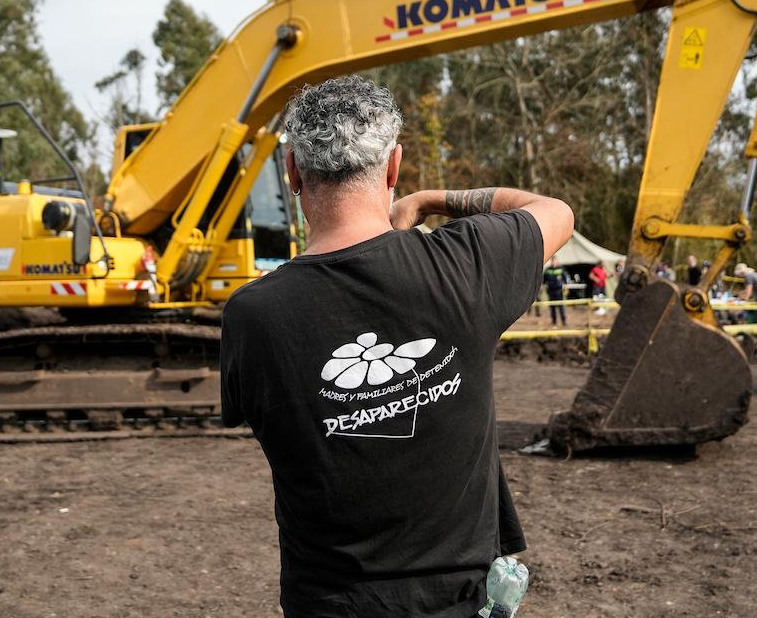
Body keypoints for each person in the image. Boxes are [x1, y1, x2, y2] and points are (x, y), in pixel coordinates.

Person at [219, 75, 573, 617]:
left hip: (329, 602)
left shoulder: (251, 317)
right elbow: (555, 211)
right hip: (461, 599)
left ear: (292, 170)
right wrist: (431, 200)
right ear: (392, 165)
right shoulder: (464, 264)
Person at [544, 256, 568, 326]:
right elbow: (544, 281)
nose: (553, 262)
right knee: (552, 308)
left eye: (555, 261)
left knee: (561, 307)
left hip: (559, 291)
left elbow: (565, 280)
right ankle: (554, 322)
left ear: (557, 261)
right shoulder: (548, 270)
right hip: (551, 291)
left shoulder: (561, 269)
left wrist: (565, 288)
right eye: (552, 261)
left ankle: (564, 322)